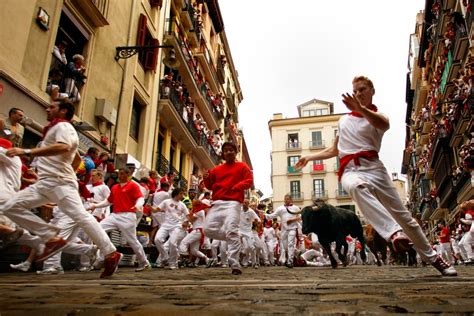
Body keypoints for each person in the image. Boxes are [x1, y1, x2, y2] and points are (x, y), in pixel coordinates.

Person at [295, 76, 457, 276]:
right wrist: (309, 157)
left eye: (362, 89)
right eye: (355, 91)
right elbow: (333, 149)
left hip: (374, 168)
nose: (358, 93)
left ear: (372, 91)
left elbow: (381, 123)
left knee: (407, 218)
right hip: (350, 170)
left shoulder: (379, 117)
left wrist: (361, 109)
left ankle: (434, 258)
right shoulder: (343, 120)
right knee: (355, 187)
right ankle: (393, 233)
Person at [4, 99, 122, 278]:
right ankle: (52, 238)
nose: (47, 109)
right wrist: (50, 172)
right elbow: (75, 159)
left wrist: (27, 152)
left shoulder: (63, 127)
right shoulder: (56, 128)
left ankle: (110, 252)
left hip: (59, 183)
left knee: (80, 216)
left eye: (52, 107)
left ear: (63, 111)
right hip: (47, 182)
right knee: (10, 207)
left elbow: (64, 147)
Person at [203, 141, 254, 275]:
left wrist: (237, 187)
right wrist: (206, 178)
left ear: (235, 152)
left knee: (231, 230)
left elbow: (249, 181)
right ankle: (233, 238)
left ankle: (235, 264)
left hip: (233, 203)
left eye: (231, 150)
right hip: (217, 202)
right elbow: (209, 186)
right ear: (223, 154)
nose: (229, 152)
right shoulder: (216, 169)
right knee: (207, 230)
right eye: (226, 150)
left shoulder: (242, 166)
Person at [89, 167, 150, 272]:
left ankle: (144, 263)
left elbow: (140, 198)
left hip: (128, 216)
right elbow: (108, 201)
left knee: (132, 241)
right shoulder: (115, 187)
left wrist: (138, 205)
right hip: (114, 215)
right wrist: (96, 205)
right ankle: (108, 255)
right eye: (119, 174)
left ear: (128, 174)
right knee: (97, 230)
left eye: (122, 173)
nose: (119, 176)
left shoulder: (133, 185)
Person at [265, 194, 302, 268]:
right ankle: (295, 253)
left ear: (291, 200)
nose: (286, 200)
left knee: (290, 244)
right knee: (285, 247)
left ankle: (290, 261)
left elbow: (299, 217)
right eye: (285, 199)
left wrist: (292, 220)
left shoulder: (296, 208)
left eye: (288, 199)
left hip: (292, 228)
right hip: (284, 230)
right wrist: (263, 215)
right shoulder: (280, 208)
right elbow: (273, 215)